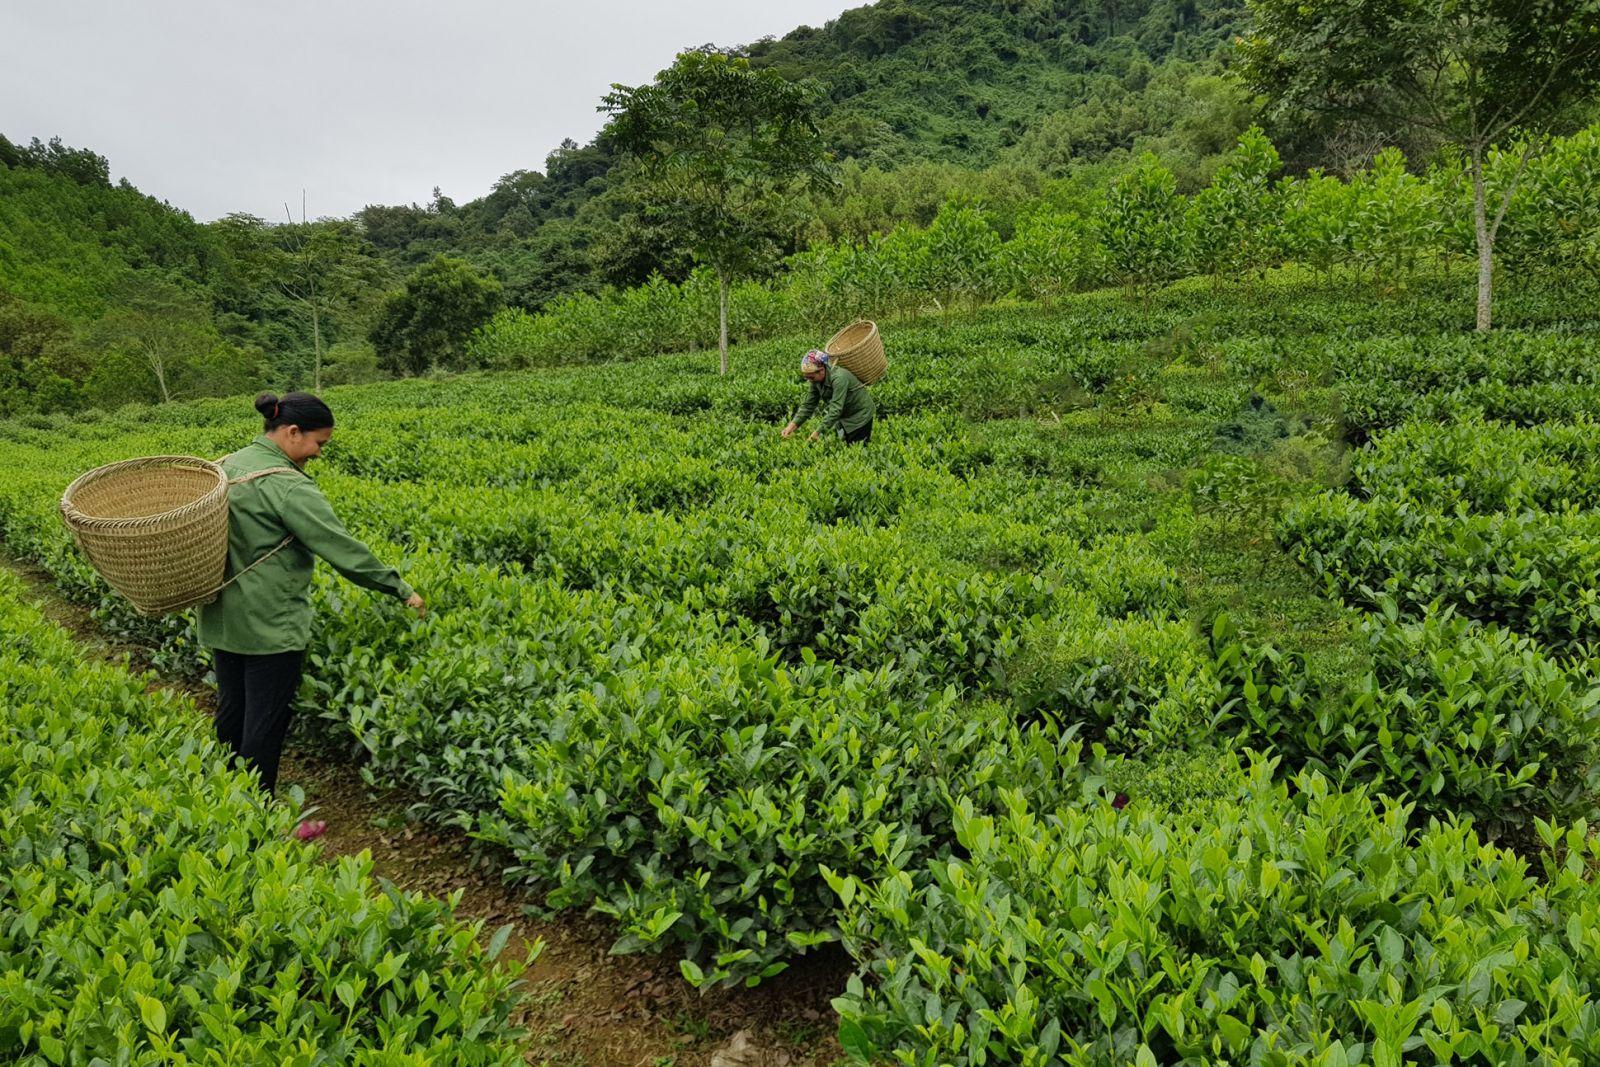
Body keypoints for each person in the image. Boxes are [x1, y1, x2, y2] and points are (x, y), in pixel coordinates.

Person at [198, 392, 424, 835]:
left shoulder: (226, 466)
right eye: (319, 444)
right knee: (264, 723)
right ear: (292, 432)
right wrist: (399, 588)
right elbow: (340, 547)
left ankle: (218, 806)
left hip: (221, 616)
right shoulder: (287, 484)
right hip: (269, 622)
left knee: (232, 712)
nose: (320, 454)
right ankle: (256, 822)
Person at [782, 349, 876, 444]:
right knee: (845, 447)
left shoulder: (839, 378)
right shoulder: (816, 381)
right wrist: (791, 426)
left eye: (811, 377)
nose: (809, 380)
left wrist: (818, 433)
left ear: (822, 370)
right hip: (844, 417)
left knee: (857, 449)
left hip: (860, 415)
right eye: (806, 377)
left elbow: (835, 410)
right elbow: (808, 405)